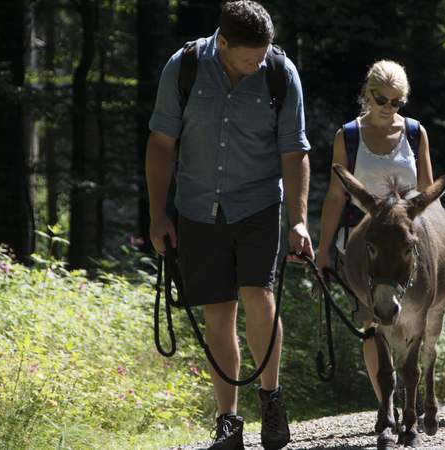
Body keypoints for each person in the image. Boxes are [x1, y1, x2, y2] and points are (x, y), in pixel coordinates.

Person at [145, 2, 312, 449]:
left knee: (258, 295)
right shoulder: (184, 68)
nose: (258, 63)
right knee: (219, 312)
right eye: (249, 57)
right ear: (222, 43)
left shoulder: (281, 74)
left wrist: (299, 223)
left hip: (258, 205)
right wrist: (158, 215)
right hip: (197, 208)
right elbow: (161, 143)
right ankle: (228, 422)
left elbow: (295, 152)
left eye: (264, 54)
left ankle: (271, 399)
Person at [316, 60, 433, 405]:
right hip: (361, 244)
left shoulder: (415, 132)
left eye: (396, 102)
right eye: (381, 99)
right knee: (371, 322)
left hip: (406, 244)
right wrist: (323, 250)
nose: (387, 108)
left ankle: (407, 396)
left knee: (410, 321)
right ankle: (387, 401)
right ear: (367, 94)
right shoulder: (348, 136)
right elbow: (336, 196)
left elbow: (427, 190)